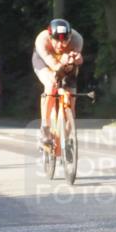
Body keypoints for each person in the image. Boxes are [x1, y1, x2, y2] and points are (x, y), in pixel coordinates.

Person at [33, 19, 83, 148]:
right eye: (56, 40)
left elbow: (76, 62)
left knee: (71, 96)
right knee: (51, 85)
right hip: (44, 61)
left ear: (70, 37)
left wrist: (76, 60)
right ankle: (45, 128)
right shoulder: (42, 40)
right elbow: (54, 65)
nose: (61, 44)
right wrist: (62, 63)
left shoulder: (77, 39)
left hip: (66, 62)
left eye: (65, 40)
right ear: (50, 37)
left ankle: (69, 137)